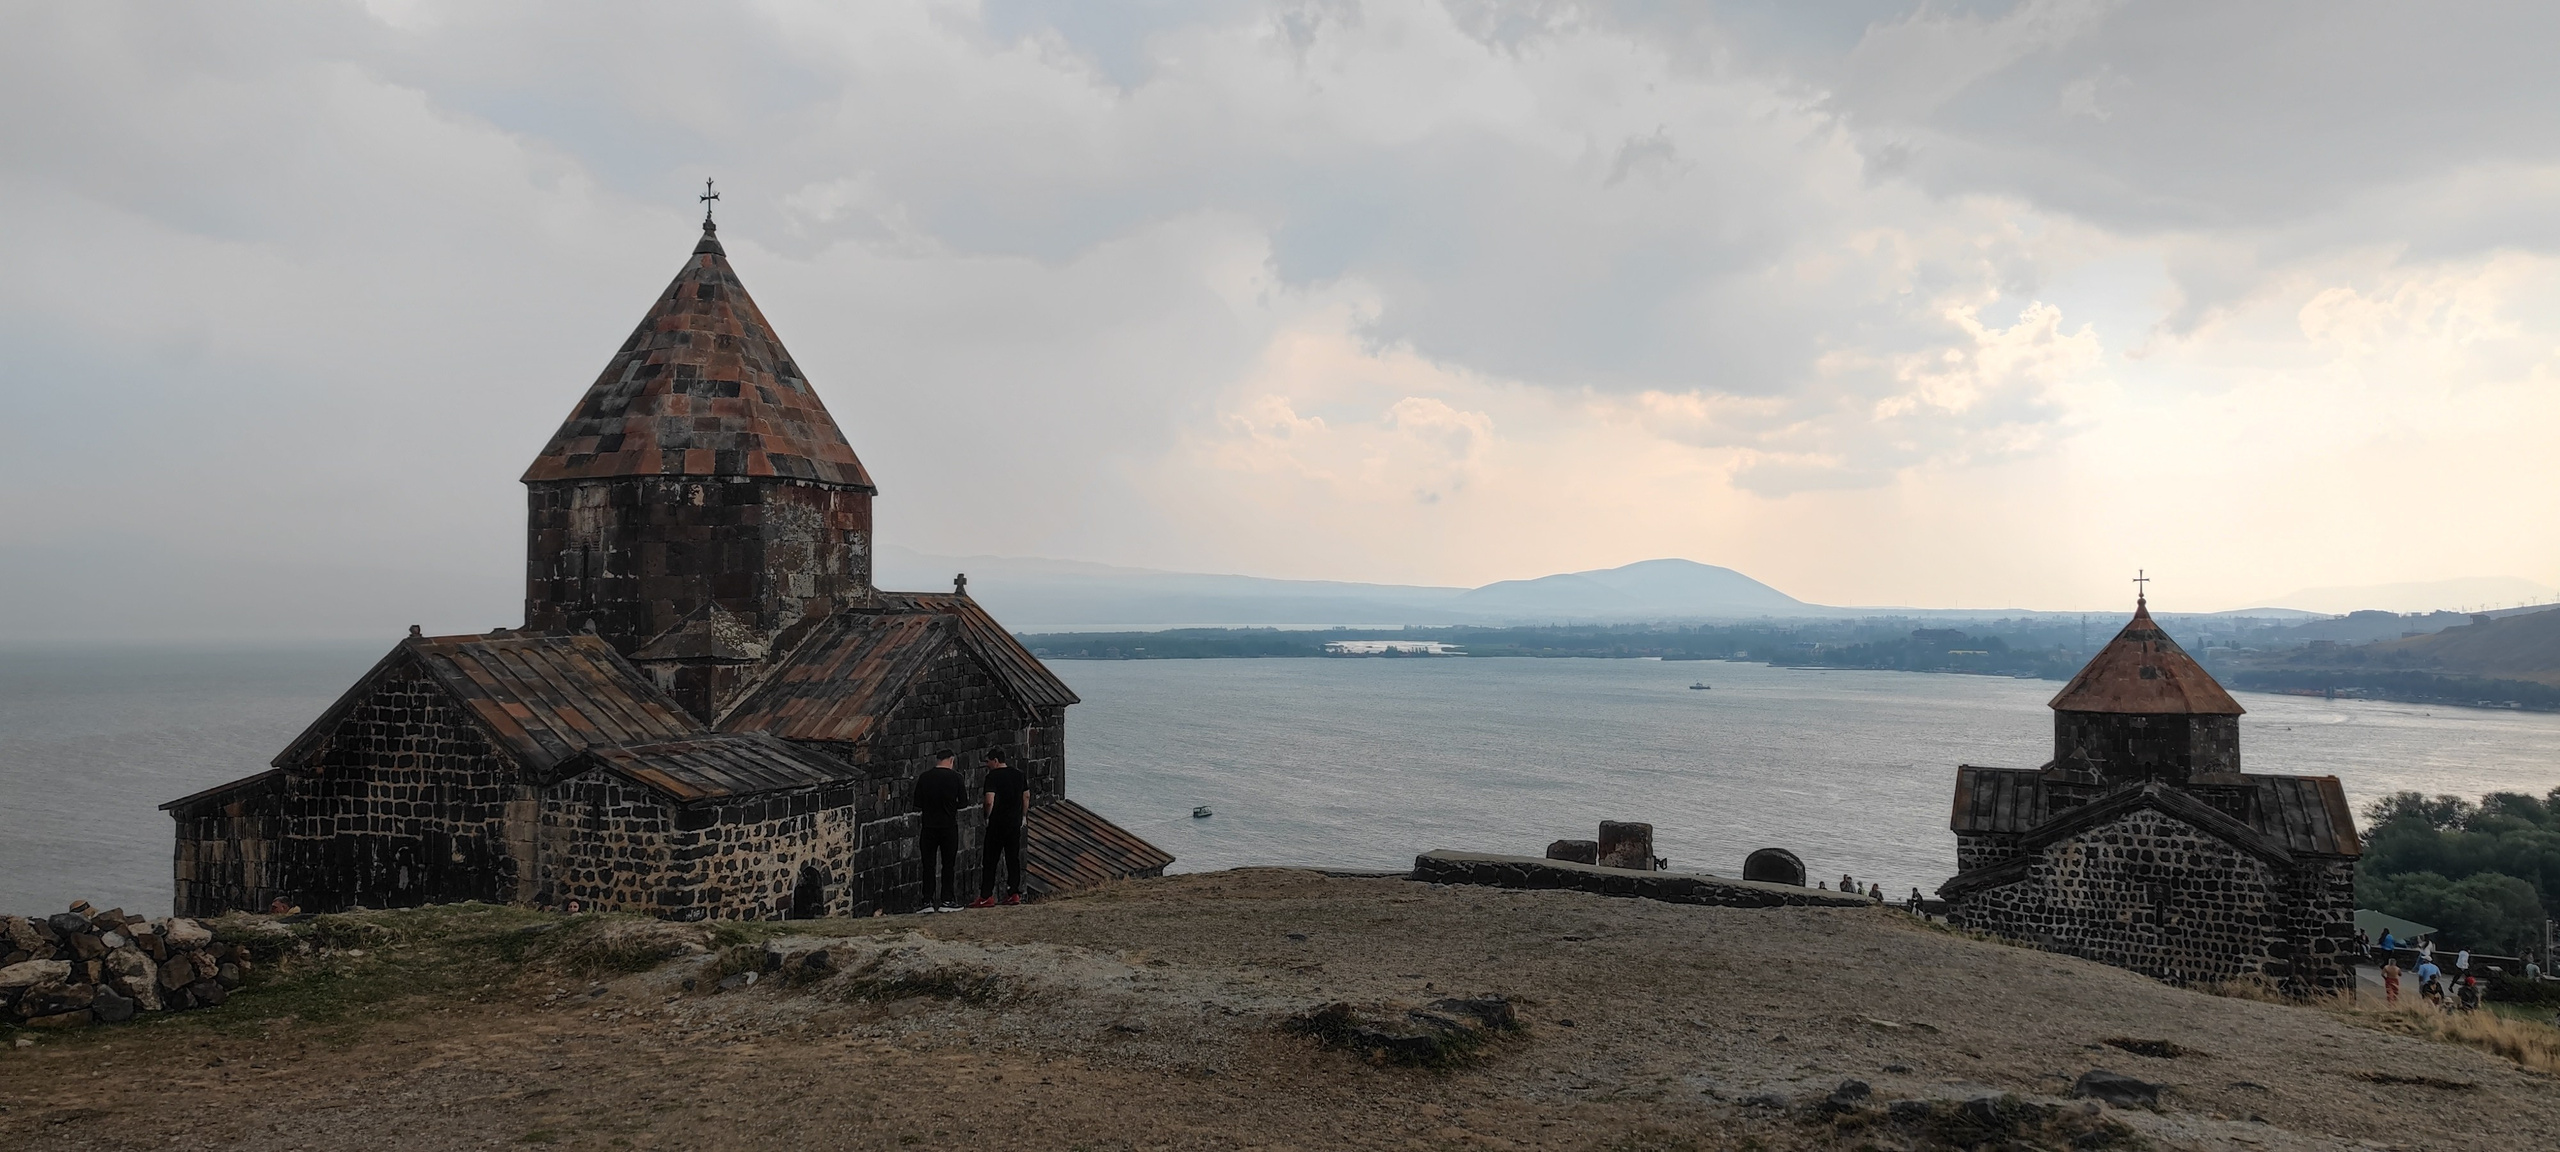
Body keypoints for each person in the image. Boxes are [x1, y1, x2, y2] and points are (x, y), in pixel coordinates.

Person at [972, 748, 1031, 908]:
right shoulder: (1019, 775)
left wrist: (986, 816)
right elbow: (1026, 796)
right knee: (1013, 859)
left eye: (988, 761)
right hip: (1014, 824)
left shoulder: (992, 777)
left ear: (996, 761)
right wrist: (1023, 816)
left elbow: (989, 801)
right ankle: (1014, 893)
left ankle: (986, 896)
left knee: (990, 860)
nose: (987, 764)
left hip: (997, 824)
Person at [912, 750, 969, 911]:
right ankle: (947, 900)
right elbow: (963, 803)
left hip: (929, 826)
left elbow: (918, 803)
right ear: (951, 760)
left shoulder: (925, 777)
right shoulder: (956, 778)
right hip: (948, 826)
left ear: (937, 760)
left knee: (928, 865)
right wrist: (951, 806)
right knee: (948, 864)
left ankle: (927, 901)